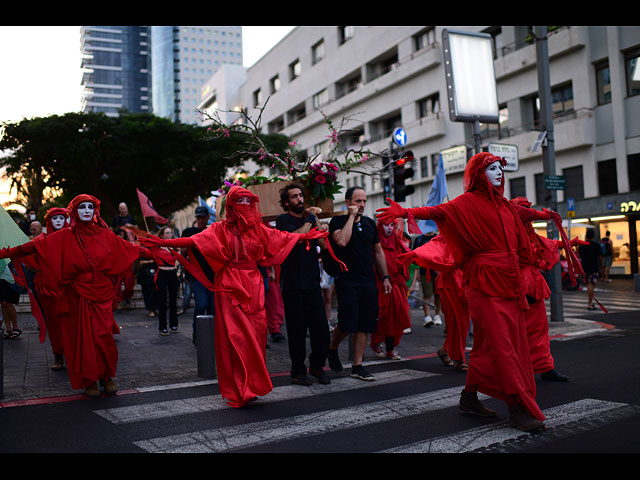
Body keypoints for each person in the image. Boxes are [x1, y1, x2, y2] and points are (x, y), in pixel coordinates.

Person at [377, 152, 555, 432]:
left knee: (490, 344)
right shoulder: (465, 203)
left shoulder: (506, 206)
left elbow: (526, 213)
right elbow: (438, 211)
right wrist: (407, 212)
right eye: (491, 168)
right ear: (477, 174)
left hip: (509, 283)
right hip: (484, 284)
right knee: (505, 347)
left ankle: (469, 397)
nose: (498, 173)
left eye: (500, 168)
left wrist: (547, 214)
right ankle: (517, 407)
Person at [139, 185, 328, 408]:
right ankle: (240, 389)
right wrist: (164, 242)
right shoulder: (220, 229)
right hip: (230, 286)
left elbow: (283, 237)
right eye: (240, 201)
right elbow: (194, 241)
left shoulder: (259, 229)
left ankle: (252, 384)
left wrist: (308, 234)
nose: (245, 206)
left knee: (256, 337)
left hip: (254, 286)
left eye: (248, 201)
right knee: (236, 338)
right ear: (231, 205)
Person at [0, 194, 150, 397]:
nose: (87, 210)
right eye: (82, 207)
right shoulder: (63, 236)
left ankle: (106, 376)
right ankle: (89, 379)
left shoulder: (106, 235)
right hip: (77, 294)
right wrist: (5, 252)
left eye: (90, 206)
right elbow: (33, 247)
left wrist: (163, 249)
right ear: (75, 212)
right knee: (83, 338)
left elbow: (131, 249)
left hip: (102, 294)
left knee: (104, 336)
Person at [327, 186, 392, 382]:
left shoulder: (370, 224)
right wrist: (351, 218)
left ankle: (357, 365)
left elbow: (378, 252)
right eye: (358, 201)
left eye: (364, 201)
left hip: (368, 280)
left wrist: (386, 277)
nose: (362, 205)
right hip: (347, 279)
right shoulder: (338, 221)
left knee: (365, 324)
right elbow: (342, 241)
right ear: (348, 202)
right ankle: (332, 349)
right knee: (347, 323)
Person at [275, 182, 331, 386]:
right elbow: (297, 238)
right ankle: (298, 371)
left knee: (321, 331)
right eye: (294, 197)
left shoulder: (310, 221)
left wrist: (319, 225)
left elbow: (324, 245)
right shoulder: (283, 221)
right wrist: (309, 219)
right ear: (286, 202)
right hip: (293, 286)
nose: (299, 199)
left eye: (301, 196)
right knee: (297, 332)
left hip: (312, 284)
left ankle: (317, 366)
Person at [510, 197, 569, 382]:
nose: (529, 212)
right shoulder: (511, 232)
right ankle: (520, 370)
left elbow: (545, 244)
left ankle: (545, 367)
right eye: (524, 209)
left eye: (529, 208)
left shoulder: (529, 231)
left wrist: (568, 243)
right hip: (521, 285)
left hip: (532, 284)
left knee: (539, 329)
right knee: (523, 331)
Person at [398, 235, 470, 371]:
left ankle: (446, 350)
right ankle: (459, 359)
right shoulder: (443, 237)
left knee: (462, 324)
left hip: (466, 282)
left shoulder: (468, 235)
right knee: (457, 323)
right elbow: (430, 250)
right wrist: (413, 254)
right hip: (450, 283)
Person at [370, 218, 411, 360]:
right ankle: (375, 342)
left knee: (397, 317)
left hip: (396, 286)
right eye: (386, 225)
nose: (389, 228)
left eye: (392, 225)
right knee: (382, 316)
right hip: (379, 285)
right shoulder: (374, 245)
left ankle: (390, 348)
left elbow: (404, 260)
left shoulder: (398, 242)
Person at [180, 205, 215, 344]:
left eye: (202, 217)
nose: (200, 220)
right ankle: (197, 333)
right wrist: (190, 244)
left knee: (213, 307)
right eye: (198, 217)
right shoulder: (189, 232)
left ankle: (212, 335)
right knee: (201, 304)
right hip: (197, 276)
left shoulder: (212, 232)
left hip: (212, 276)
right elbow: (182, 253)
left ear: (207, 217)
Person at [412, 232, 443, 328]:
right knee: (427, 294)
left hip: (438, 271)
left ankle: (437, 315)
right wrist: (417, 270)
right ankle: (427, 316)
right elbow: (415, 254)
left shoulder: (438, 238)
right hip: (424, 271)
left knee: (438, 294)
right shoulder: (419, 239)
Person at [155, 226, 180, 335]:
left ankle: (173, 324)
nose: (170, 234)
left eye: (171, 233)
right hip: (162, 274)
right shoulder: (158, 248)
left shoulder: (174, 247)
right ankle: (163, 327)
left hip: (173, 274)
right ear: (162, 235)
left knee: (173, 300)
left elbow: (179, 259)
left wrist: (178, 270)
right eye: (167, 233)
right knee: (162, 301)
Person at [579, 229, 603, 311]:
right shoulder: (596, 245)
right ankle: (589, 303)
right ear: (593, 236)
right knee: (591, 285)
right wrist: (601, 267)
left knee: (589, 285)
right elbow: (600, 258)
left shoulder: (581, 246)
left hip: (584, 268)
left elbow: (579, 257)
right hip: (594, 267)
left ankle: (590, 302)